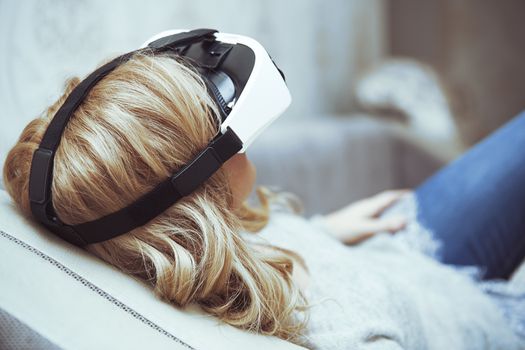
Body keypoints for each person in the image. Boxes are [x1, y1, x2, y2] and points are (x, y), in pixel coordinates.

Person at [3, 49, 524, 349]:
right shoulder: (350, 334)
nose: (240, 133)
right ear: (193, 191)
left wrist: (320, 234)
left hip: (390, 246)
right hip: (479, 314)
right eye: (215, 119)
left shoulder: (150, 242)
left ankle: (434, 137)